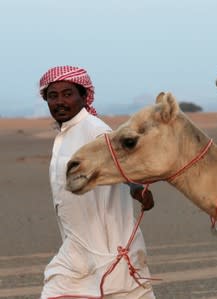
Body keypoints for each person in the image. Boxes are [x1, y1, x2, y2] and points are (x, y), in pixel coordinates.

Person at [39, 66, 156, 298]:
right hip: (77, 248)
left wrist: (137, 188)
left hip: (109, 246)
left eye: (67, 94)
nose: (60, 101)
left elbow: (120, 162)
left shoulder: (94, 129)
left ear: (84, 97)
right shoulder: (66, 134)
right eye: (53, 96)